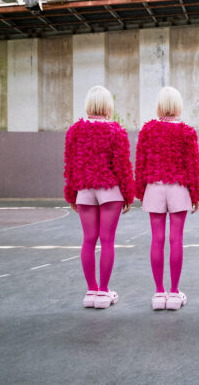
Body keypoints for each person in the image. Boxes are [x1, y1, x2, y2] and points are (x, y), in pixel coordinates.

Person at [63, 85, 134, 309]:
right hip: (109, 189)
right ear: (107, 105)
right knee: (107, 240)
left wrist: (72, 194)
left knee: (88, 239)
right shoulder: (116, 130)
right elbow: (122, 166)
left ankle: (91, 290)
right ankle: (104, 291)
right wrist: (128, 194)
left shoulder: (75, 131)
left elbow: (70, 165)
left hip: (85, 189)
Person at [135, 86, 199, 311]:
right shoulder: (187, 132)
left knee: (157, 240)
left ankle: (159, 292)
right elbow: (192, 166)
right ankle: (174, 292)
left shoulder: (148, 130)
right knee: (176, 240)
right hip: (178, 188)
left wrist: (140, 190)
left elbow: (141, 163)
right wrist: (195, 194)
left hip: (154, 186)